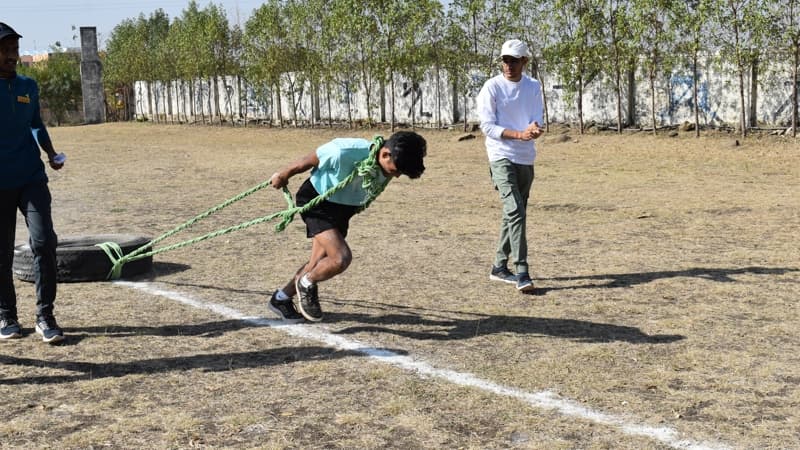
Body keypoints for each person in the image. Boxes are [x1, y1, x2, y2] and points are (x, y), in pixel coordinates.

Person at [267, 131, 427, 322]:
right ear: (385, 154)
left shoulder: (389, 161)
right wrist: (284, 174)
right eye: (395, 171)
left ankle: (281, 299)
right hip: (318, 201)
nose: (397, 176)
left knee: (317, 263)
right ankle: (307, 282)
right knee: (340, 258)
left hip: (343, 208)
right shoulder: (344, 151)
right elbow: (309, 160)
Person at [0, 22, 65, 343]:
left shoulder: (28, 86)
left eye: (14, 49)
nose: (12, 55)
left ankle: (45, 315)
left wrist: (51, 154)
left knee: (44, 242)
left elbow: (36, 124)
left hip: (30, 178)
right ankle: (6, 316)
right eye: (5, 50)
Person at [476, 39, 544, 293]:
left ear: (525, 61)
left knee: (514, 212)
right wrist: (518, 135)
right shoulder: (491, 87)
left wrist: (534, 129)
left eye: (514, 60)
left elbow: (537, 117)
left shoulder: (533, 86)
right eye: (505, 60)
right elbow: (487, 127)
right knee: (515, 209)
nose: (508, 65)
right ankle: (522, 271)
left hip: (526, 157)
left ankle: (498, 266)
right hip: (500, 154)